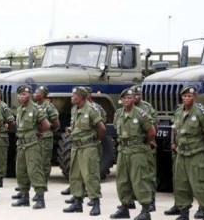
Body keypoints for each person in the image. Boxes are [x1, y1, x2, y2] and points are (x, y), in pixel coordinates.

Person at [110, 88, 155, 220]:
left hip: (137, 151)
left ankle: (145, 210)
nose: (127, 100)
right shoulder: (118, 114)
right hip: (123, 151)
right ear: (121, 100)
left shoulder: (140, 113)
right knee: (122, 180)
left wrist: (142, 143)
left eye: (129, 98)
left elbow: (151, 132)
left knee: (140, 180)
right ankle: (125, 208)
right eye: (124, 98)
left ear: (133, 99)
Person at [171, 86, 204, 220]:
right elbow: (175, 129)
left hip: (196, 154)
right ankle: (184, 213)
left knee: (200, 186)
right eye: (184, 96)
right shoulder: (179, 111)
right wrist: (174, 143)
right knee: (181, 185)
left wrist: (201, 145)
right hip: (181, 154)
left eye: (189, 96)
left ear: (195, 97)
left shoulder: (201, 113)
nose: (186, 98)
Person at [63, 87, 105, 216]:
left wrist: (96, 141)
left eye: (74, 95)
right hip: (76, 147)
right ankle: (77, 202)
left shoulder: (91, 110)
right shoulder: (74, 109)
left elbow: (102, 129)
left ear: (81, 97)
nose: (71, 97)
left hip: (88, 147)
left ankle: (96, 203)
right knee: (75, 175)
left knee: (90, 175)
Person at [11, 85, 50, 210]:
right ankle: (24, 197)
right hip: (21, 144)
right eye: (20, 94)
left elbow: (46, 125)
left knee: (34, 171)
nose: (21, 96)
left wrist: (37, 134)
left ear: (30, 95)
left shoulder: (36, 109)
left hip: (32, 144)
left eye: (24, 94)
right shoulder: (20, 109)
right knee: (21, 171)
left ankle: (40, 198)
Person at [131, 85, 158, 211]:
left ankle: (151, 200)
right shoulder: (126, 108)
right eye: (134, 95)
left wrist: (149, 141)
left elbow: (154, 127)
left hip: (146, 145)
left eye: (138, 95)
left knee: (148, 174)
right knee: (131, 174)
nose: (136, 97)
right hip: (131, 147)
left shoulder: (146, 107)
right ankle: (130, 199)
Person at [33, 86, 60, 186]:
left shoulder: (49, 107)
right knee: (35, 161)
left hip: (46, 138)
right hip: (36, 138)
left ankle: (43, 184)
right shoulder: (34, 106)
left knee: (44, 161)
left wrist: (48, 131)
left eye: (37, 93)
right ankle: (36, 183)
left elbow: (56, 124)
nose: (34, 94)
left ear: (42, 95)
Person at [0, 88, 15, 188]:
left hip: (1, 135)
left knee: (0, 158)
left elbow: (11, 121)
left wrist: (5, 129)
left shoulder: (3, 107)